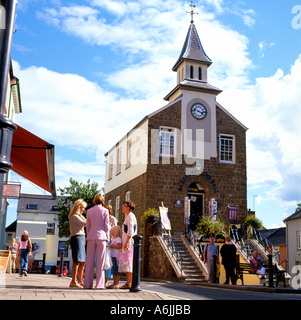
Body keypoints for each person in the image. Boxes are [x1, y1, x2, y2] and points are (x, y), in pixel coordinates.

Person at [84, 194, 110, 289]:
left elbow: (88, 225)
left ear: (94, 200)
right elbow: (107, 226)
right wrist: (108, 238)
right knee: (100, 262)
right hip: (102, 237)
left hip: (91, 236)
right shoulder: (105, 210)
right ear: (102, 201)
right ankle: (99, 285)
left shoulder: (89, 211)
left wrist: (88, 236)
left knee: (89, 261)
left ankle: (87, 284)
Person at [69, 199, 87, 288]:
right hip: (77, 238)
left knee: (82, 261)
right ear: (78, 207)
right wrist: (80, 215)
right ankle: (73, 281)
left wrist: (81, 214)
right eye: (82, 208)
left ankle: (80, 280)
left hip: (81, 238)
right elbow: (86, 223)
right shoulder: (74, 217)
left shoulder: (78, 216)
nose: (83, 210)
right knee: (76, 260)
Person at [119, 200, 137, 289]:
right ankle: (128, 282)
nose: (122, 207)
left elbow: (130, 230)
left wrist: (127, 242)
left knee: (129, 263)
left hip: (129, 243)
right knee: (127, 263)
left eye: (124, 205)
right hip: (127, 242)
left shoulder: (130, 216)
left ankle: (129, 283)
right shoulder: (128, 216)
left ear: (129, 207)